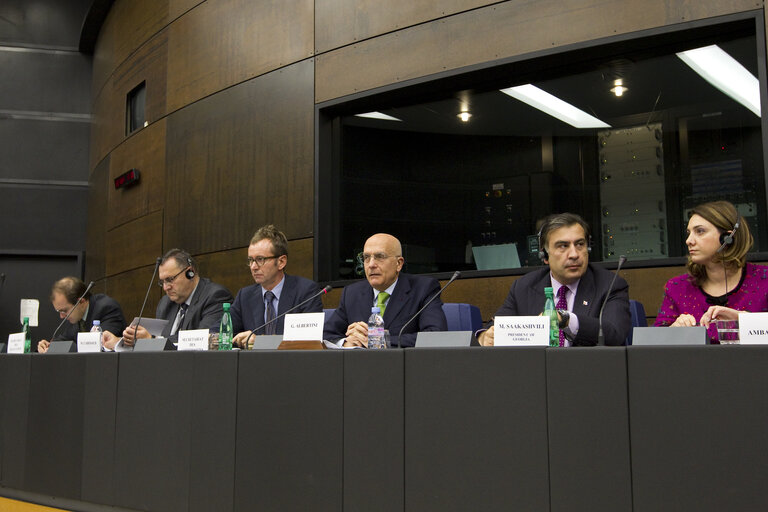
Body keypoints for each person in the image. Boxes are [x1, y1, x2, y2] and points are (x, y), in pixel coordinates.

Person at [478, 212, 631, 346]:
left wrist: (565, 319)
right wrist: (485, 336)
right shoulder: (524, 287)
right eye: (563, 246)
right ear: (545, 255)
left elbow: (615, 334)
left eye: (580, 244)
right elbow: (496, 325)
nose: (574, 254)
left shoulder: (610, 285)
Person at [654, 200, 768, 342]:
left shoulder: (764, 279)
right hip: (696, 363)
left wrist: (744, 320)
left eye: (700, 231)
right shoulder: (678, 287)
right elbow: (653, 342)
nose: (689, 241)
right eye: (689, 233)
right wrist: (674, 331)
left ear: (727, 238)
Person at [323, 233, 447, 348]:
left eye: (379, 257)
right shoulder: (352, 293)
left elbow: (435, 335)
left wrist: (379, 341)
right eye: (366, 257)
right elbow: (325, 334)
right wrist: (345, 343)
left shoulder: (423, 288)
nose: (371, 264)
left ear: (399, 264)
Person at [103, 249, 233, 350]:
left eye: (170, 279)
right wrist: (125, 340)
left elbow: (203, 339)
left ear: (190, 273)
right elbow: (162, 340)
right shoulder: (165, 303)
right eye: (162, 282)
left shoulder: (215, 296)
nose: (165, 287)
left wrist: (152, 340)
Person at [231, 225, 323, 347]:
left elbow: (309, 342)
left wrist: (259, 342)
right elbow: (220, 331)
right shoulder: (245, 296)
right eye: (251, 260)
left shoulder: (305, 291)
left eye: (260, 259)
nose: (253, 267)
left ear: (281, 262)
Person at [37, 276, 126, 353]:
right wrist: (48, 346)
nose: (61, 316)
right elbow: (65, 339)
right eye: (59, 311)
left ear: (81, 302)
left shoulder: (107, 308)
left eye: (64, 311)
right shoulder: (76, 316)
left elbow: (100, 344)